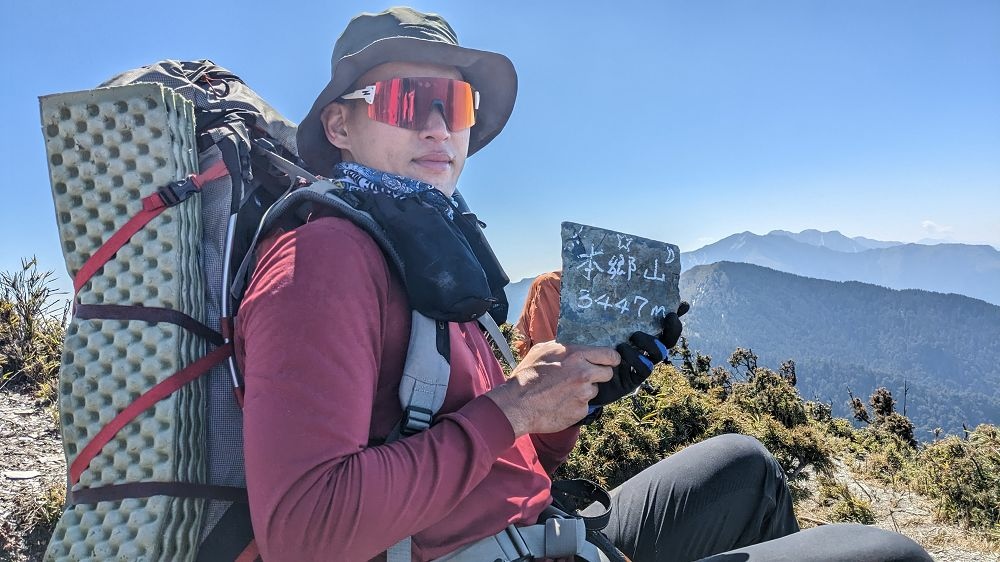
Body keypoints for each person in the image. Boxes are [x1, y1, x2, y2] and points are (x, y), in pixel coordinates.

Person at [235, 7, 932, 562]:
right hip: (491, 550)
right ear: (340, 123)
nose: (441, 125)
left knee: (747, 466)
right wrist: (512, 406)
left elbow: (502, 457)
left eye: (457, 101)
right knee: (886, 553)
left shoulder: (427, 253)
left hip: (538, 529)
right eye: (407, 98)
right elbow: (304, 532)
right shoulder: (320, 262)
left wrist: (566, 406)